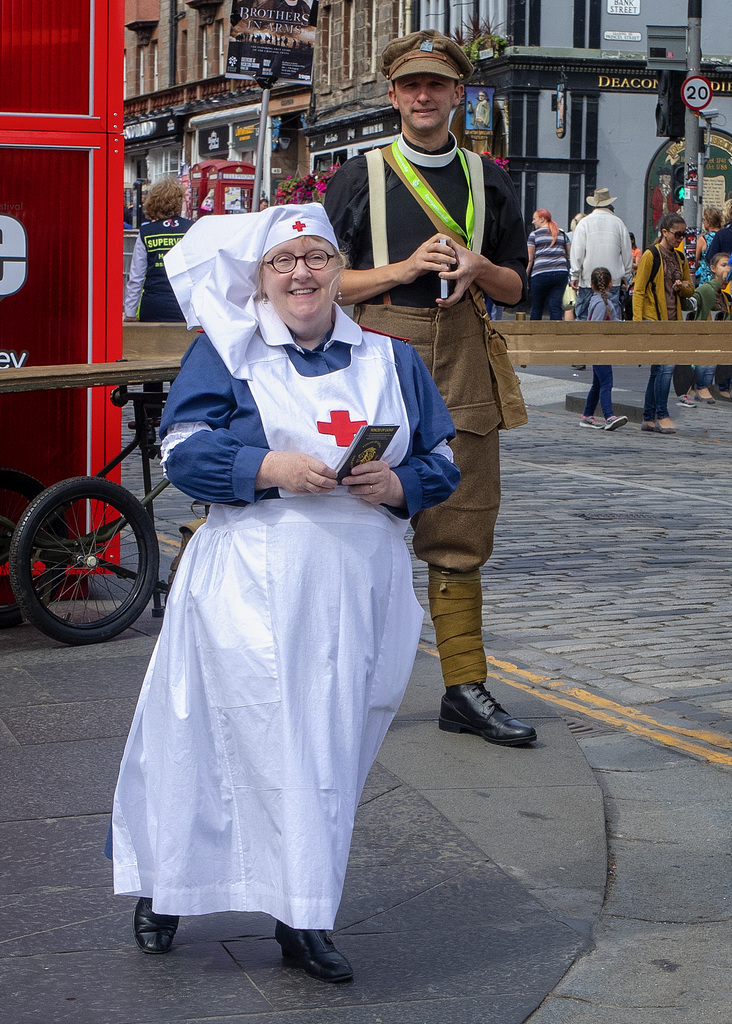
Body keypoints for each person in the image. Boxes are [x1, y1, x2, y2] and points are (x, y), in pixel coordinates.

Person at [109, 204, 459, 981]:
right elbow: (186, 452)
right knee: (214, 740)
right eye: (283, 261)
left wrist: (400, 480)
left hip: (357, 591)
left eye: (316, 258)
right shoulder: (227, 355)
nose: (301, 273)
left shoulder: (391, 359)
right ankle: (170, 886)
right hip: (250, 588)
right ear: (260, 278)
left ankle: (301, 910)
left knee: (324, 757)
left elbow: (442, 457)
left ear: (340, 271)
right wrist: (267, 469)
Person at [324, 29, 536, 747]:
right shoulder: (358, 177)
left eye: (436, 84)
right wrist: (401, 268)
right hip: (377, 356)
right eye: (411, 85)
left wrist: (477, 266)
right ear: (393, 96)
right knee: (354, 518)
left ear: (456, 94)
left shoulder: (490, 178)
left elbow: (516, 286)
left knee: (461, 524)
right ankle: (338, 682)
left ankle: (463, 688)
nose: (423, 95)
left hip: (464, 358)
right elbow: (316, 281)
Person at [633, 213, 694, 435]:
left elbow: (690, 289)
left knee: (657, 370)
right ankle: (662, 414)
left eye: (684, 234)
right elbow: (638, 290)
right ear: (664, 232)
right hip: (653, 318)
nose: (681, 238)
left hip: (673, 319)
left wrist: (681, 287)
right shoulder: (651, 254)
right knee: (665, 367)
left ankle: (648, 417)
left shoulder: (680, 258)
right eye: (677, 234)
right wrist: (638, 323)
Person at [124, 176, 193, 323]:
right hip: (185, 306)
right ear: (179, 202)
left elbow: (136, 277)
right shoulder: (192, 229)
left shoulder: (146, 232)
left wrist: (130, 312)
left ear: (153, 202)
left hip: (153, 305)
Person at [677, 252, 732, 407]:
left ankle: (698, 388)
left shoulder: (726, 297)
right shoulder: (705, 290)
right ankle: (698, 388)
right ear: (713, 268)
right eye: (723, 265)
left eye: (729, 266)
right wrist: (682, 292)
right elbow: (690, 305)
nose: (727, 269)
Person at [569, 187, 632, 321]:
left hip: (588, 279)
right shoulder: (619, 223)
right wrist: (626, 275)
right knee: (612, 318)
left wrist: (574, 274)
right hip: (613, 280)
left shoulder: (584, 223)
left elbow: (577, 252)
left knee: (584, 318)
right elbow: (627, 252)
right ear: (609, 204)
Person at [578, 267, 628, 431]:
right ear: (610, 283)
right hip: (599, 349)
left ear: (592, 285)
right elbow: (596, 327)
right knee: (607, 382)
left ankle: (587, 415)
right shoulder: (601, 303)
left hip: (600, 349)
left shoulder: (599, 301)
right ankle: (609, 416)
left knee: (598, 384)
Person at [527, 209, 570, 321]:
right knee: (555, 307)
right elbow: (569, 254)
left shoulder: (534, 235)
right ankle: (556, 335)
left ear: (542, 219)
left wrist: (525, 276)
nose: (533, 222)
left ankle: (534, 335)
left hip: (540, 273)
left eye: (534, 219)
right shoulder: (562, 234)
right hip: (561, 273)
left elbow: (530, 258)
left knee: (537, 307)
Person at [695, 207, 723, 285]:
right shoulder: (724, 236)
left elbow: (695, 260)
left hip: (706, 280)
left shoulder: (703, 239)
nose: (703, 222)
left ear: (709, 222)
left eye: (704, 220)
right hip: (723, 278)